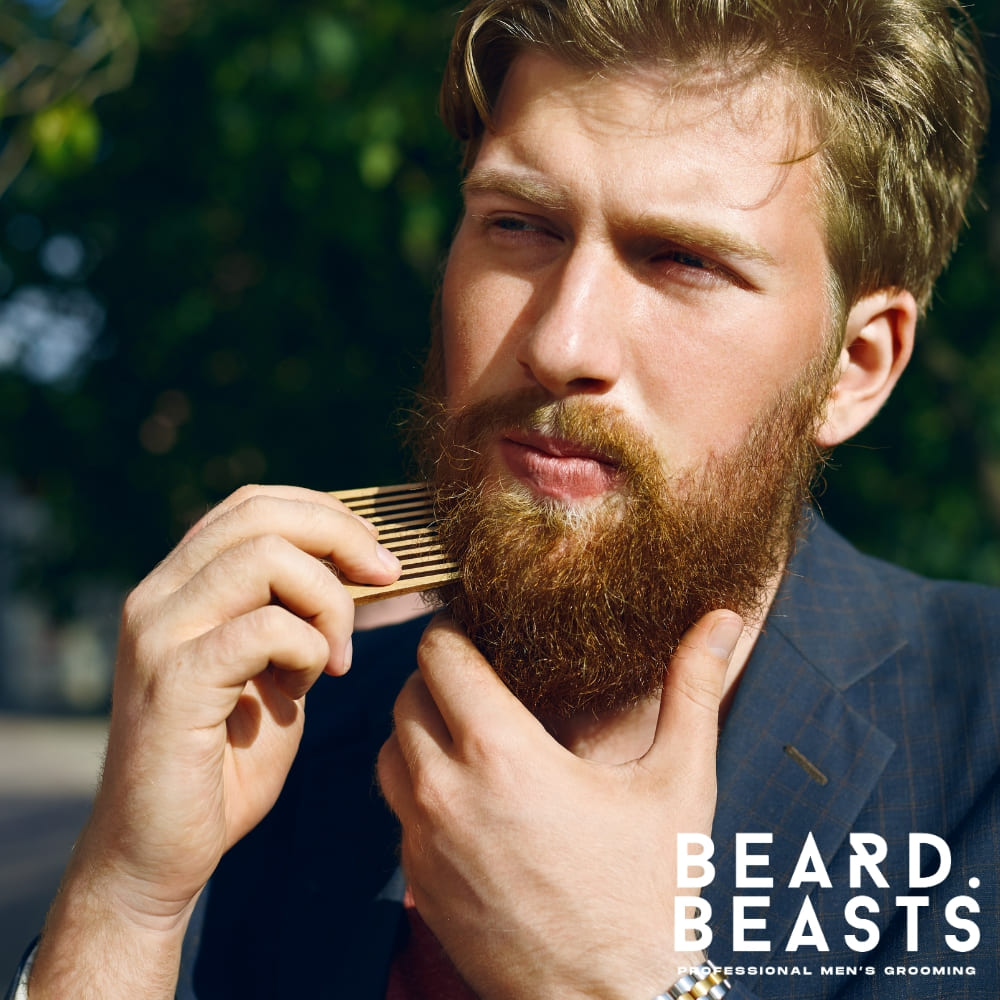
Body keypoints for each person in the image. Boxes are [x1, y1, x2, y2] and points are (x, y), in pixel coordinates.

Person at [9, 0, 997, 997]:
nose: (562, 343)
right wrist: (127, 894)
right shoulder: (290, 731)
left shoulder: (976, 754)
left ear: (853, 367)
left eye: (683, 260)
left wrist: (625, 982)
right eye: (520, 225)